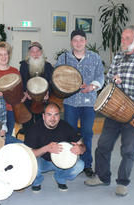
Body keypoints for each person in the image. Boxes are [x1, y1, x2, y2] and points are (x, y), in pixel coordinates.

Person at [84, 25, 134, 196]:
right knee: (102, 145)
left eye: (127, 38)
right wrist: (113, 79)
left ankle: (123, 182)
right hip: (114, 111)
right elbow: (109, 76)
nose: (123, 41)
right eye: (122, 38)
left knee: (128, 150)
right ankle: (102, 177)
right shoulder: (118, 56)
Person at [55, 29, 104, 177]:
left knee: (87, 134)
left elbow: (101, 76)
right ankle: (70, 162)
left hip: (89, 103)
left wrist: (92, 86)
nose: (78, 43)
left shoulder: (95, 57)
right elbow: (57, 77)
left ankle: (87, 164)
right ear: (71, 42)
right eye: (75, 40)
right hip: (70, 102)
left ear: (86, 42)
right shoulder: (63, 58)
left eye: (81, 40)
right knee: (70, 134)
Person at [24, 102, 85, 192]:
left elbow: (81, 144)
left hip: (62, 160)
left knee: (80, 165)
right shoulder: (34, 129)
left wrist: (81, 148)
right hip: (42, 160)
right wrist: (46, 148)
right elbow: (28, 153)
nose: (53, 118)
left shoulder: (65, 126)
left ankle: (60, 177)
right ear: (43, 116)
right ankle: (37, 181)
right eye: (49, 115)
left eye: (56, 115)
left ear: (59, 116)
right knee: (28, 164)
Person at [19, 41, 54, 132]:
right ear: (29, 53)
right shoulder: (23, 65)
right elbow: (21, 82)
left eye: (37, 51)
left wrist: (48, 93)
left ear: (41, 52)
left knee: (42, 127)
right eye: (32, 51)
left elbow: (51, 83)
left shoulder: (48, 66)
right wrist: (25, 92)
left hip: (43, 102)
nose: (35, 54)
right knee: (28, 127)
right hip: (28, 101)